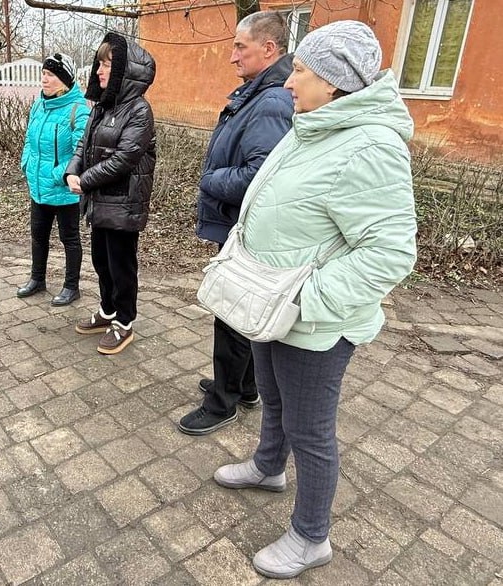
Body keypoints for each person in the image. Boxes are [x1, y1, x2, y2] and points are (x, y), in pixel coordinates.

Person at [212, 21, 418, 579]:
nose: (287, 82)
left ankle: (310, 537)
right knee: (273, 399)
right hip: (271, 303)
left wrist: (308, 299)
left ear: (332, 81)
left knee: (311, 432)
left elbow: (390, 253)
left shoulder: (370, 146)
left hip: (313, 319)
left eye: (299, 70)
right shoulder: (314, 126)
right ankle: (268, 467)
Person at [178, 11, 293, 435]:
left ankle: (222, 402)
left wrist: (209, 179)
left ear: (269, 48)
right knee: (239, 312)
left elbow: (259, 177)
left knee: (232, 313)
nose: (232, 56)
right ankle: (244, 387)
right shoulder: (260, 94)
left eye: (240, 47)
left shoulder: (272, 102)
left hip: (246, 229)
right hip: (241, 226)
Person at [65, 32, 156, 355]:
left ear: (124, 70)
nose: (99, 71)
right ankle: (108, 311)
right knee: (101, 261)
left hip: (123, 202)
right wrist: (72, 170)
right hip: (100, 201)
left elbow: (124, 159)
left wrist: (84, 180)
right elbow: (84, 144)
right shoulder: (102, 107)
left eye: (107, 65)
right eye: (99, 64)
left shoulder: (139, 110)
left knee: (121, 266)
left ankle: (124, 321)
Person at [17, 53, 90, 306]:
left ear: (65, 80)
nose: (44, 79)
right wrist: (27, 164)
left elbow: (81, 152)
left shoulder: (78, 110)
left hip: (63, 190)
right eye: (44, 74)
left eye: (50, 75)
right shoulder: (39, 105)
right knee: (38, 235)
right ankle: (37, 279)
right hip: (38, 187)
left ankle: (71, 286)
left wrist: (57, 174)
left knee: (70, 239)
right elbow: (29, 140)